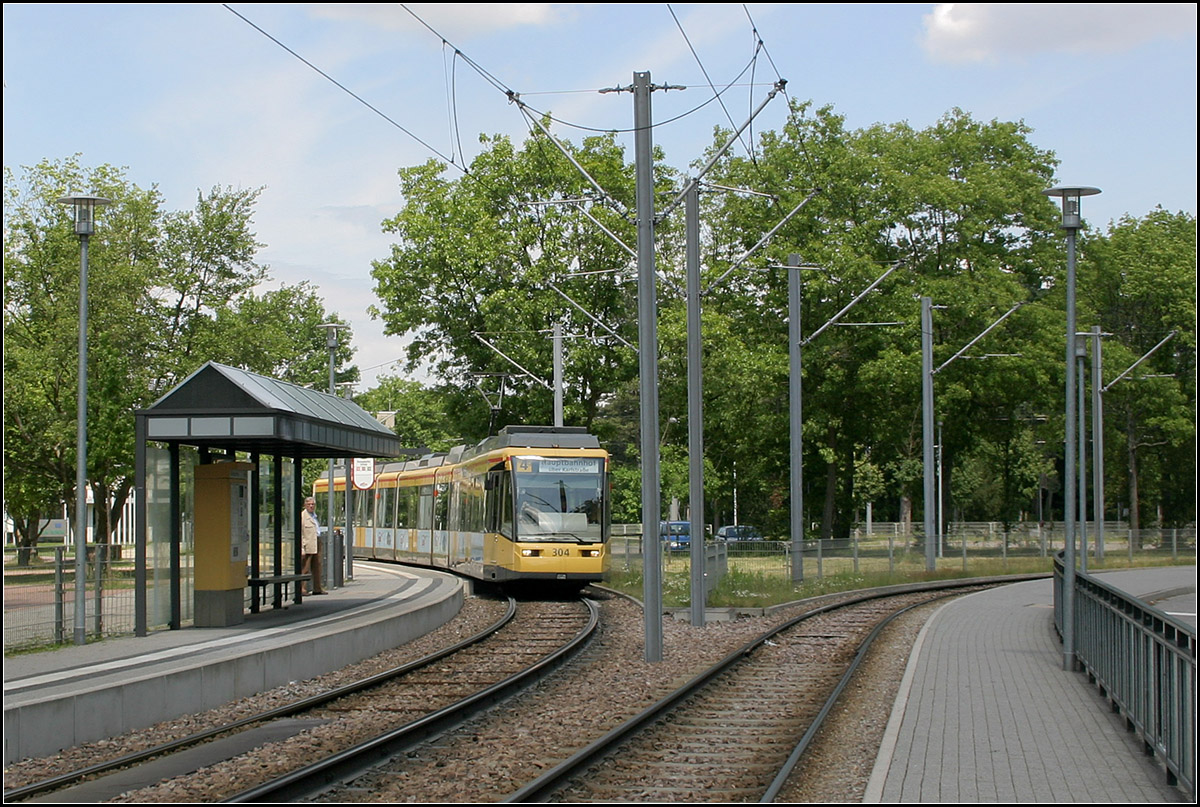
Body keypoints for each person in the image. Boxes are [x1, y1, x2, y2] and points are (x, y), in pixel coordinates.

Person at [300, 496, 326, 595]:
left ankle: (317, 588)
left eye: (312, 504)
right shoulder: (303, 516)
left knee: (318, 566)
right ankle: (302, 589)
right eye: (309, 504)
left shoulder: (314, 516)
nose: (311, 506)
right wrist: (302, 547)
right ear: (305, 505)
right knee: (305, 568)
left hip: (316, 542)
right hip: (308, 545)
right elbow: (300, 533)